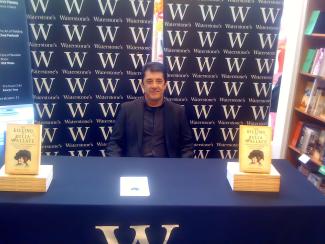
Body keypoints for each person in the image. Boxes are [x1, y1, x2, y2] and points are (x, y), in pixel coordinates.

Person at [106, 62, 194, 158]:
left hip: (168, 167)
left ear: (165, 85)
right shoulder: (127, 109)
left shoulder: (178, 111)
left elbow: (187, 146)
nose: (154, 86)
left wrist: (181, 167)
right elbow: (114, 143)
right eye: (149, 81)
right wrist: (118, 166)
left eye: (159, 81)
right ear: (142, 85)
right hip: (135, 167)